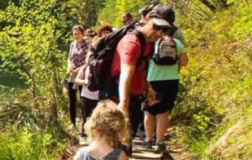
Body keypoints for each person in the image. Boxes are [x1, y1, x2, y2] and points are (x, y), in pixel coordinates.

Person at [105, 5, 174, 152]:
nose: (159, 32)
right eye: (157, 27)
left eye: (165, 30)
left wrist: (147, 88)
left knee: (126, 143)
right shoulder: (132, 42)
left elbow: (140, 69)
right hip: (118, 98)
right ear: (147, 19)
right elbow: (126, 73)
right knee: (118, 145)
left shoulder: (147, 43)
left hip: (134, 98)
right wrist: (123, 104)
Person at [145, 18, 189, 151]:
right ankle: (159, 141)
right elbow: (185, 61)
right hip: (171, 80)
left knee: (149, 110)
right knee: (164, 112)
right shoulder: (176, 43)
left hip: (152, 79)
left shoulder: (151, 43)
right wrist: (176, 68)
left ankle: (148, 139)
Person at [75, 39, 100, 137]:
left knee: (96, 117)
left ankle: (94, 135)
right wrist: (84, 82)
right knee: (86, 116)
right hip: (86, 95)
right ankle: (85, 132)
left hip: (98, 96)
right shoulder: (85, 68)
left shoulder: (99, 67)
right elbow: (77, 80)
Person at [66, 25, 89, 129]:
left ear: (82, 34)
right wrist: (70, 65)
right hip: (72, 74)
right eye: (74, 34)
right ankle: (72, 122)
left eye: (78, 34)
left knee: (83, 99)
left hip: (82, 74)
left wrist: (79, 69)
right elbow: (69, 58)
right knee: (72, 99)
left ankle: (84, 124)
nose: (76, 36)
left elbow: (88, 61)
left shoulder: (88, 44)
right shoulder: (72, 45)